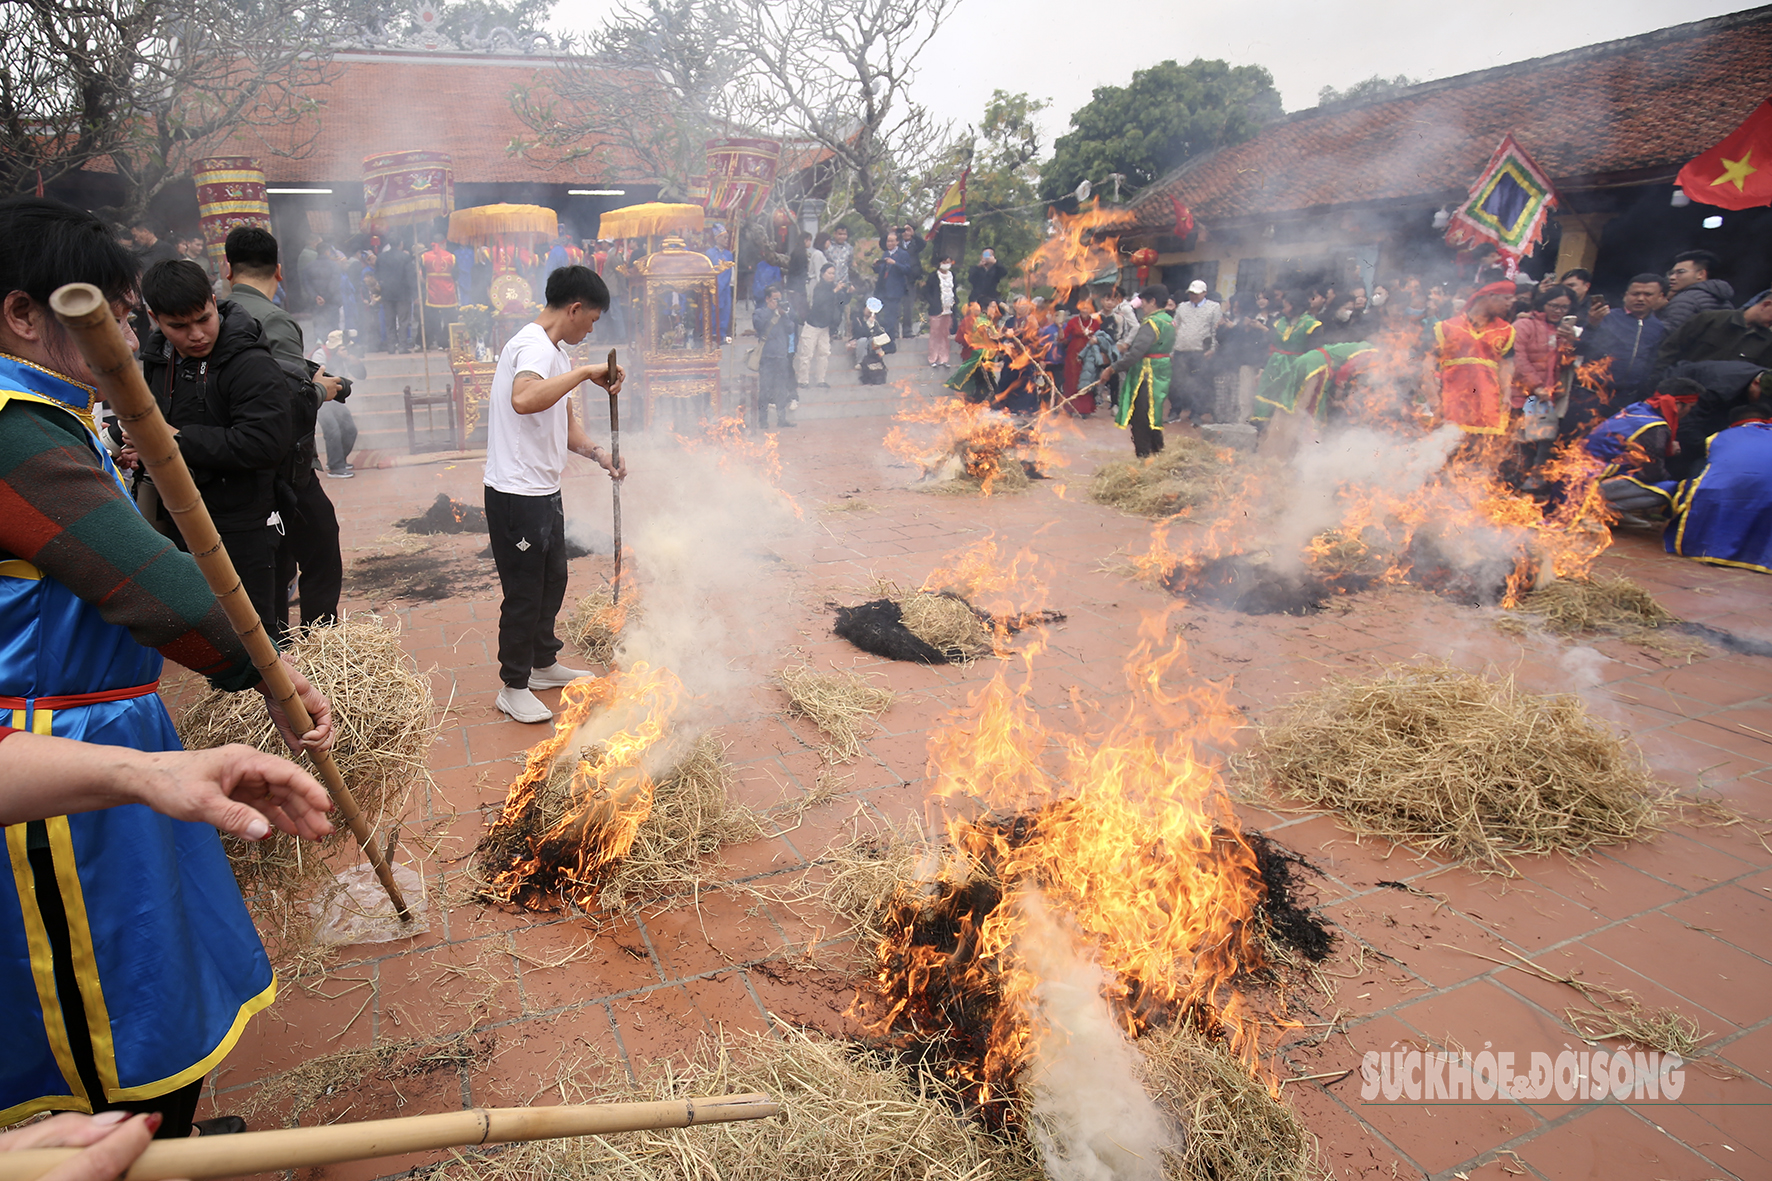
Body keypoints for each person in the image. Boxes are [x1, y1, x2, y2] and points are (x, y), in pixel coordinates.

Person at [0, 195, 335, 1138]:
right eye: (100, 313)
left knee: (164, 959)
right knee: (109, 1001)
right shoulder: (15, 428)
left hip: (114, 732)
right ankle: (134, 1143)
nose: (130, 336)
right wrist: (269, 670)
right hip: (50, 768)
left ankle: (163, 1137)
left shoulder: (58, 411)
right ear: (24, 314)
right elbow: (150, 585)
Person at [483, 266, 625, 724]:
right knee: (524, 591)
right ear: (575, 308)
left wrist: (599, 453)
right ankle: (513, 685)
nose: (591, 329)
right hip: (516, 494)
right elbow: (524, 399)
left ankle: (543, 664)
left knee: (552, 580)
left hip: (544, 489)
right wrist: (586, 371)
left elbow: (562, 423)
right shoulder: (531, 346)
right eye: (593, 319)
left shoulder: (554, 354)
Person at [138, 259, 304, 628]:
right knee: (210, 629)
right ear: (155, 318)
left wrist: (177, 439)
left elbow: (264, 443)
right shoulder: (157, 360)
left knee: (259, 633)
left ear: (214, 302)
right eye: (178, 326)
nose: (196, 334)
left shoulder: (249, 362)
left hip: (244, 520)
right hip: (183, 512)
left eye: (203, 319)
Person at [221, 227, 347, 639]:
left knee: (275, 553)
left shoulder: (219, 311)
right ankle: (317, 645)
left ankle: (273, 647)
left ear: (227, 269)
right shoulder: (271, 318)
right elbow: (285, 399)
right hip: (279, 462)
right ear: (279, 270)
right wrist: (322, 389)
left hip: (234, 457)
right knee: (319, 541)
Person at [1664, 403, 1772, 571]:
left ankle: (1707, 545)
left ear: (1733, 423)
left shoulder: (1719, 437)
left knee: (1692, 485)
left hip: (1723, 493)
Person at [1582, 376, 1702, 525]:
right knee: (1668, 489)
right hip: (1591, 481)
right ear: (1677, 405)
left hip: (1581, 472)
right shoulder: (1655, 426)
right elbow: (1652, 471)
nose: (1689, 412)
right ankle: (1602, 510)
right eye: (1690, 407)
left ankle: (1615, 512)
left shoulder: (1637, 408)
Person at [1429, 280, 1516, 435]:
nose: (1511, 303)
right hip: (1453, 401)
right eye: (1507, 298)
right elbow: (1427, 364)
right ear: (1490, 296)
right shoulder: (1447, 327)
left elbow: (1506, 365)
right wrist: (1432, 396)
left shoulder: (1506, 330)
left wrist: (1507, 394)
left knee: (1483, 451)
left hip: (1488, 403)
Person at [1664, 360, 1768, 478]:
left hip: (1708, 413)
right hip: (1673, 400)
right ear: (1756, 383)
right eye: (1762, 398)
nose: (1762, 404)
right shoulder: (1719, 386)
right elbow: (1687, 425)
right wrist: (1715, 448)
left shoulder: (1757, 383)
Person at [1108, 284, 1174, 458]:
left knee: (1141, 415)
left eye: (1143, 302)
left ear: (1152, 302)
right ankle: (1158, 451)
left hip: (1147, 374)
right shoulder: (1168, 319)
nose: (1142, 306)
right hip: (1162, 372)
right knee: (1154, 412)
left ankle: (1144, 455)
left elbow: (1136, 353)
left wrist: (1113, 368)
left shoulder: (1152, 323)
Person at [1582, 273, 1668, 405]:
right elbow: (1581, 348)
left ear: (1660, 297)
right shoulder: (1607, 317)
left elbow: (1653, 362)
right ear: (1626, 295)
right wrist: (1592, 325)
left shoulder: (1657, 327)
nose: (1640, 299)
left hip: (1629, 396)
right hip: (1594, 392)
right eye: (1635, 294)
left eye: (1648, 295)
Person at [1653, 291, 1772, 381]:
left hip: (1720, 404)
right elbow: (1668, 351)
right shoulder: (1710, 319)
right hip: (1679, 392)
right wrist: (1656, 383)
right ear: (1766, 305)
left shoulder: (1767, 341)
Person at [1167, 279, 1221, 425]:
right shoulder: (1182, 307)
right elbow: (1175, 328)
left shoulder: (1214, 307)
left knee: (1198, 383)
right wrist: (1172, 350)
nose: (1193, 296)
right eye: (1191, 293)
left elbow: (1215, 330)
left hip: (1200, 352)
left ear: (1204, 293)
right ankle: (1175, 411)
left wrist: (1213, 348)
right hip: (1181, 349)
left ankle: (1196, 413)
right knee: (1177, 383)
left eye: (1196, 294)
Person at [752, 284, 798, 430]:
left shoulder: (783, 312)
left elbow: (791, 328)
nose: (778, 302)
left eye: (779, 299)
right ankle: (763, 420)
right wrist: (771, 311)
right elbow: (758, 325)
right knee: (764, 389)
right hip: (766, 356)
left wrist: (783, 315)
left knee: (781, 389)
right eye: (774, 299)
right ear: (767, 299)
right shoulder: (759, 312)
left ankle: (781, 418)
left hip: (781, 355)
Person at [1660, 249, 1734, 334]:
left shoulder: (1685, 300)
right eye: (1671, 273)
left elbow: (1667, 334)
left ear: (1701, 274)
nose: (1672, 277)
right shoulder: (1725, 301)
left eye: (1680, 272)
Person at [799, 263, 843, 388]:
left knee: (824, 353)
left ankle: (821, 380)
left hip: (825, 326)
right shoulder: (819, 287)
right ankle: (803, 381)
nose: (831, 276)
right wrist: (835, 291)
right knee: (807, 354)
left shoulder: (834, 287)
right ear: (823, 274)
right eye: (829, 273)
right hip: (813, 325)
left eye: (833, 273)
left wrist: (847, 292)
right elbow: (820, 301)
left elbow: (842, 302)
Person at [1059, 297, 1100, 415]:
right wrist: (1060, 327)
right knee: (1072, 381)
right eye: (1083, 308)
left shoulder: (1096, 323)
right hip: (1073, 356)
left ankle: (1084, 409)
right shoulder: (1073, 321)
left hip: (1088, 355)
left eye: (1087, 308)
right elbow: (1063, 338)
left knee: (1086, 379)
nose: (1085, 310)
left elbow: (1100, 338)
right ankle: (1070, 407)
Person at [872, 229, 914, 345]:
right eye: (887, 241)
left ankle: (890, 343)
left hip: (895, 291)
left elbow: (907, 269)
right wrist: (876, 265)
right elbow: (881, 271)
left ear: (897, 242)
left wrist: (894, 263)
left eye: (891, 241)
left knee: (891, 317)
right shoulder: (885, 253)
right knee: (881, 317)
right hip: (883, 290)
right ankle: (882, 340)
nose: (889, 244)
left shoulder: (903, 254)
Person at [377, 237, 415, 353]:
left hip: (387, 293)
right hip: (403, 293)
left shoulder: (381, 257)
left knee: (389, 321)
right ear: (401, 244)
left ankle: (391, 346)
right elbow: (410, 276)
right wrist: (414, 292)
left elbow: (377, 275)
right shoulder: (405, 257)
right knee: (403, 321)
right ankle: (403, 346)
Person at [422, 236, 459, 349]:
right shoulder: (451, 257)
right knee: (450, 318)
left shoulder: (425, 257)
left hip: (432, 292)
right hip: (448, 292)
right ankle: (445, 341)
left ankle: (434, 341)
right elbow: (456, 275)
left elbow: (423, 275)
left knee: (433, 319)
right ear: (444, 243)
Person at [924, 255, 957, 369]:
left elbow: (954, 291)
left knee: (944, 334)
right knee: (935, 334)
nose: (947, 264)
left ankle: (944, 359)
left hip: (949, 309)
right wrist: (934, 303)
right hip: (937, 309)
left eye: (949, 262)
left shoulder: (952, 276)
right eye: (944, 261)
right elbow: (927, 291)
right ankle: (933, 358)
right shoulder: (933, 276)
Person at [853, 295, 892, 385]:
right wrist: (867, 325)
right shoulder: (857, 317)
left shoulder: (875, 320)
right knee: (863, 340)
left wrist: (873, 325)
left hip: (871, 341)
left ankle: (875, 360)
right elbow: (859, 333)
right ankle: (860, 362)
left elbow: (879, 333)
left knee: (874, 341)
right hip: (860, 340)